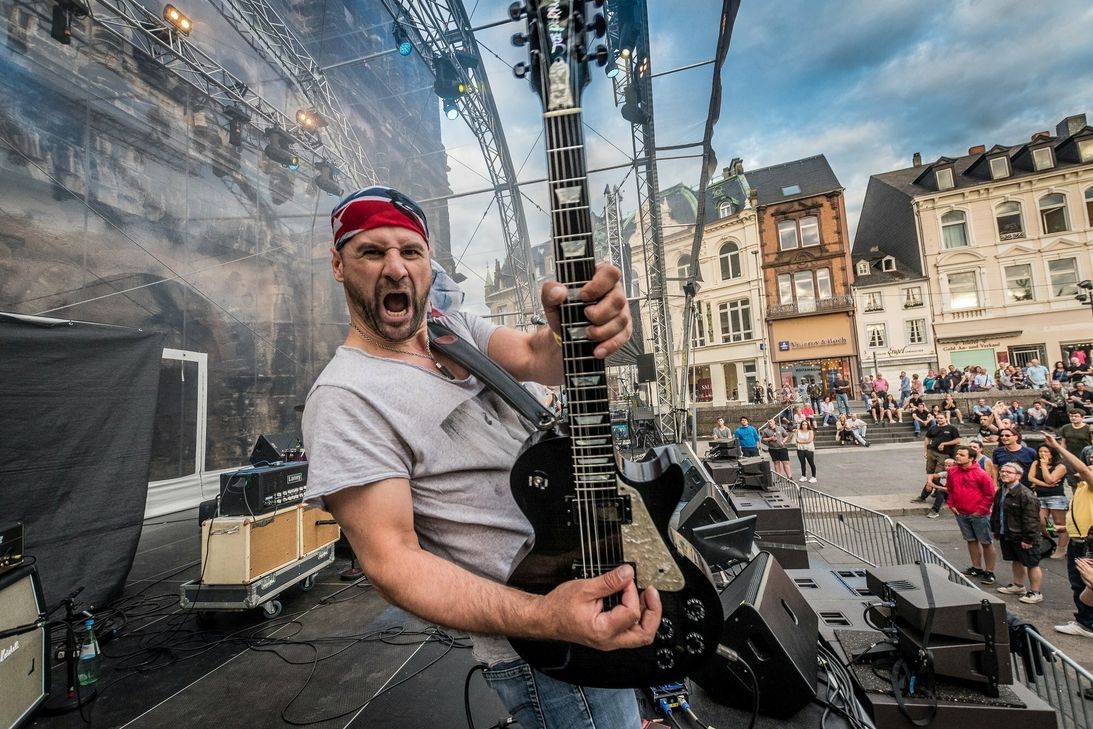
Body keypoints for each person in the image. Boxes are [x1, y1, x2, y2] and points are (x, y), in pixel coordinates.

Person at [302, 186, 652, 726]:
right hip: (541, 644)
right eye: (372, 252)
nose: (395, 268)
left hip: (589, 577)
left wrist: (578, 333)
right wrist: (544, 616)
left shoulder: (452, 330)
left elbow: (541, 358)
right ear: (337, 264)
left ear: (426, 262)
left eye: (410, 252)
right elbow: (392, 563)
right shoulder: (346, 398)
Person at [1043, 434, 1093, 639]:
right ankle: (1085, 621)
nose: (1090, 464)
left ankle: (1087, 624)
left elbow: (1080, 468)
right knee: (1079, 585)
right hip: (1077, 539)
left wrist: (1058, 447)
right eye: (1089, 459)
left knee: (1087, 585)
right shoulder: (1082, 486)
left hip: (1088, 544)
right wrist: (1066, 528)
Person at [991, 462, 1045, 603]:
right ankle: (1018, 585)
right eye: (1003, 471)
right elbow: (997, 512)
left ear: (1019, 476)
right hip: (1008, 533)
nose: (1004, 474)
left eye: (1009, 472)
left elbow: (1032, 519)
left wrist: (1028, 539)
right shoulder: (1001, 490)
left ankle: (1035, 592)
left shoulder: (1026, 495)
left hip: (1024, 536)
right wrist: (996, 530)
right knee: (1016, 560)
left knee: (1031, 563)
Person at [945, 446, 998, 584]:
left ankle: (990, 571)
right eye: (957, 454)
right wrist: (951, 505)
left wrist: (980, 510)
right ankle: (976, 567)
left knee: (986, 542)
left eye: (962, 455)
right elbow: (950, 490)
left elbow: (990, 494)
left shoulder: (981, 474)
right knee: (970, 540)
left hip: (979, 514)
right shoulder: (952, 471)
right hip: (961, 512)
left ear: (971, 458)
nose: (957, 456)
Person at [1029, 444, 1069, 555]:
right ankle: (1050, 541)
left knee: (1059, 523)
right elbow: (1031, 477)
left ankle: (1062, 548)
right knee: (1041, 521)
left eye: (1046, 452)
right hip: (1040, 496)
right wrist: (1045, 485)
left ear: (1052, 453)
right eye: (1040, 451)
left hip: (1056, 497)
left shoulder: (1060, 466)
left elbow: (1050, 479)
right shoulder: (1036, 463)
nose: (1042, 454)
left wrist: (1045, 466)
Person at [1058, 409, 1093, 486]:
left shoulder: (1088, 428)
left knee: (1085, 478)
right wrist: (1062, 455)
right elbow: (1063, 442)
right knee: (1072, 479)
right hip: (1070, 456)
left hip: (1084, 457)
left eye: (1076, 416)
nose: (1073, 418)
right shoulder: (1065, 428)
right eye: (1071, 416)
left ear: (1082, 418)